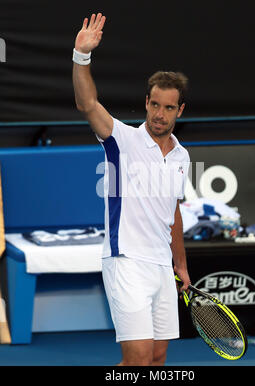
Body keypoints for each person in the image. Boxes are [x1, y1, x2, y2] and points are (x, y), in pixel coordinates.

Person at [72, 12, 191, 366]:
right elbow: (87, 105)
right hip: (126, 263)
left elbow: (173, 213)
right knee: (137, 359)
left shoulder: (183, 156)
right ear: (146, 103)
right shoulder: (121, 138)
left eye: (169, 107)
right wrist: (82, 56)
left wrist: (181, 265)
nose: (160, 114)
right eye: (155, 105)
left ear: (179, 110)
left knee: (156, 358)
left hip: (160, 267)